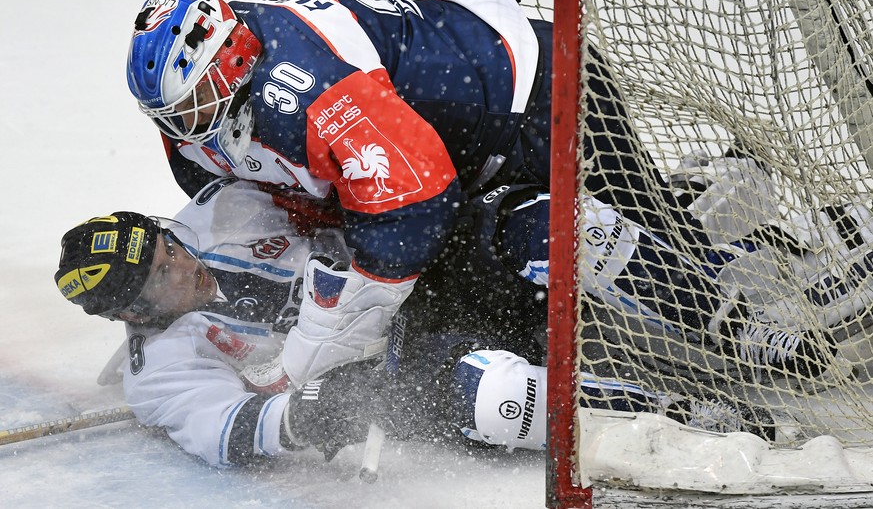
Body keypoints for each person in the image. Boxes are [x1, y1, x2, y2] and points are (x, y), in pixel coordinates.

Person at [124, 0, 732, 390]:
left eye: (195, 100)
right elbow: (320, 200)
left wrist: (333, 335)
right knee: (477, 304)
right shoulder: (200, 124)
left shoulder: (309, 90)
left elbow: (415, 204)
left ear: (233, 59)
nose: (183, 127)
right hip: (454, 150)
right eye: (170, 113)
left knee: (622, 229)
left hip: (539, 94)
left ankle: (736, 314)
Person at [55, 177, 784, 467]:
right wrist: (313, 413)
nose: (181, 266)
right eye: (156, 278)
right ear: (128, 312)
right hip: (404, 361)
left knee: (541, 223)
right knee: (493, 397)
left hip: (423, 274)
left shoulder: (224, 208)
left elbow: (350, 188)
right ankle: (684, 416)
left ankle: (731, 287)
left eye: (166, 248)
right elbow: (234, 432)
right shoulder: (159, 375)